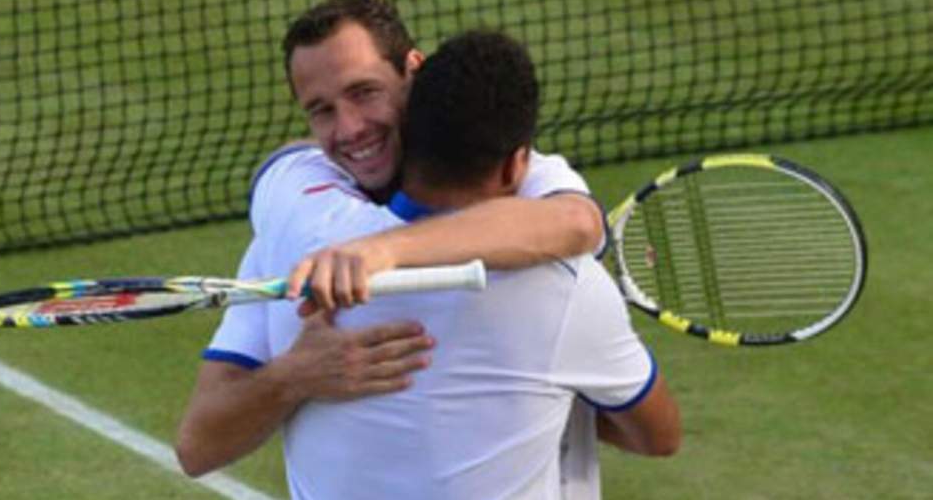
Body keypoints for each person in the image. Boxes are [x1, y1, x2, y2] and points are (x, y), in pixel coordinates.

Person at [181, 29, 680, 498]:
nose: (350, 128)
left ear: (411, 83)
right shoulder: (569, 285)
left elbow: (575, 221)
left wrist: (381, 250)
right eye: (322, 109)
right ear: (514, 163)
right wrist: (293, 376)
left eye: (363, 92)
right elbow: (659, 435)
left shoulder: (297, 226)